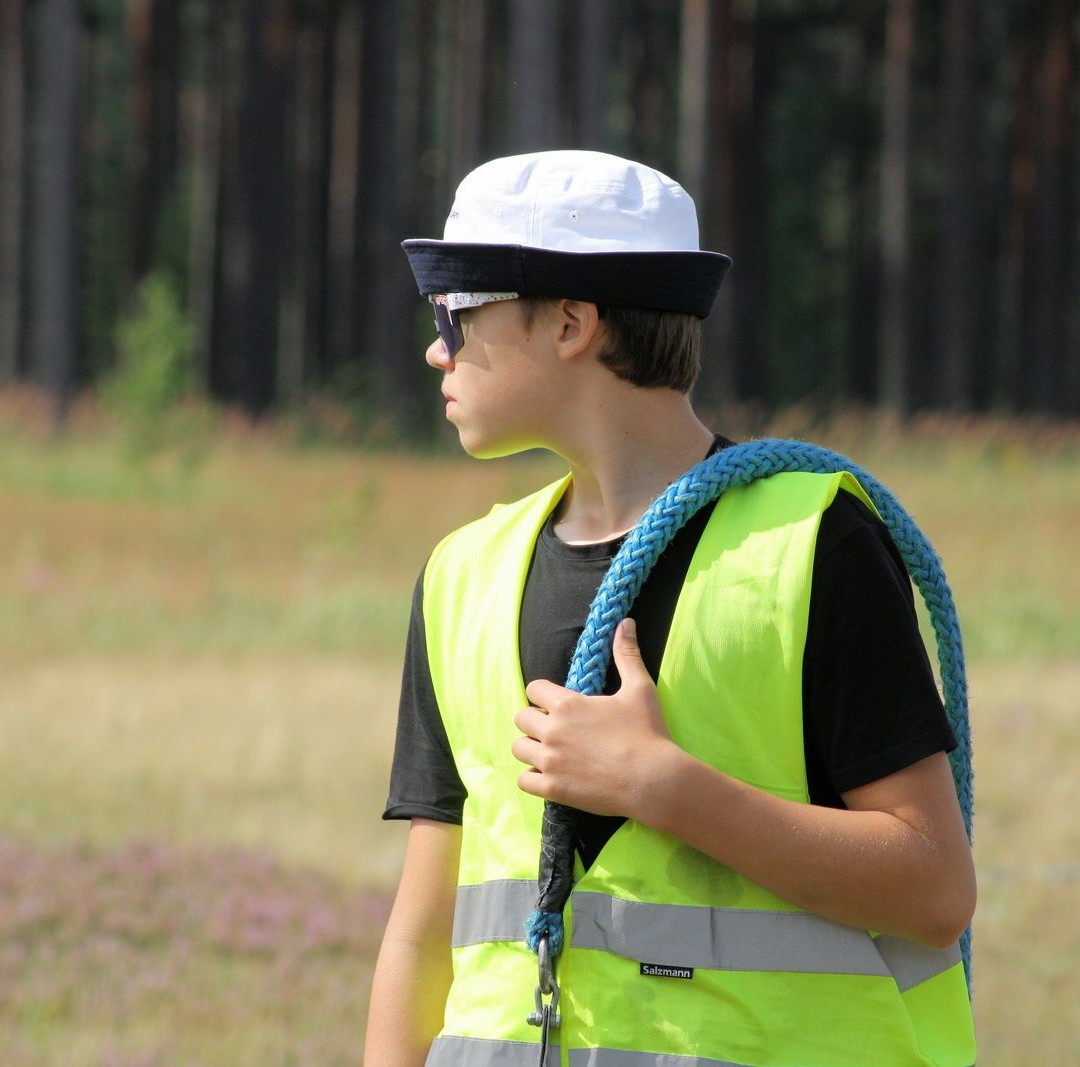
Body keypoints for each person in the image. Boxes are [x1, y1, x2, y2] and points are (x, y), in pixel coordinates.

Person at [365, 150, 976, 1067]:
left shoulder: (814, 546)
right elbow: (421, 935)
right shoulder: (461, 577)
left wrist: (664, 788)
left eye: (456, 313)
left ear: (570, 322)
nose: (436, 348)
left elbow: (934, 889)